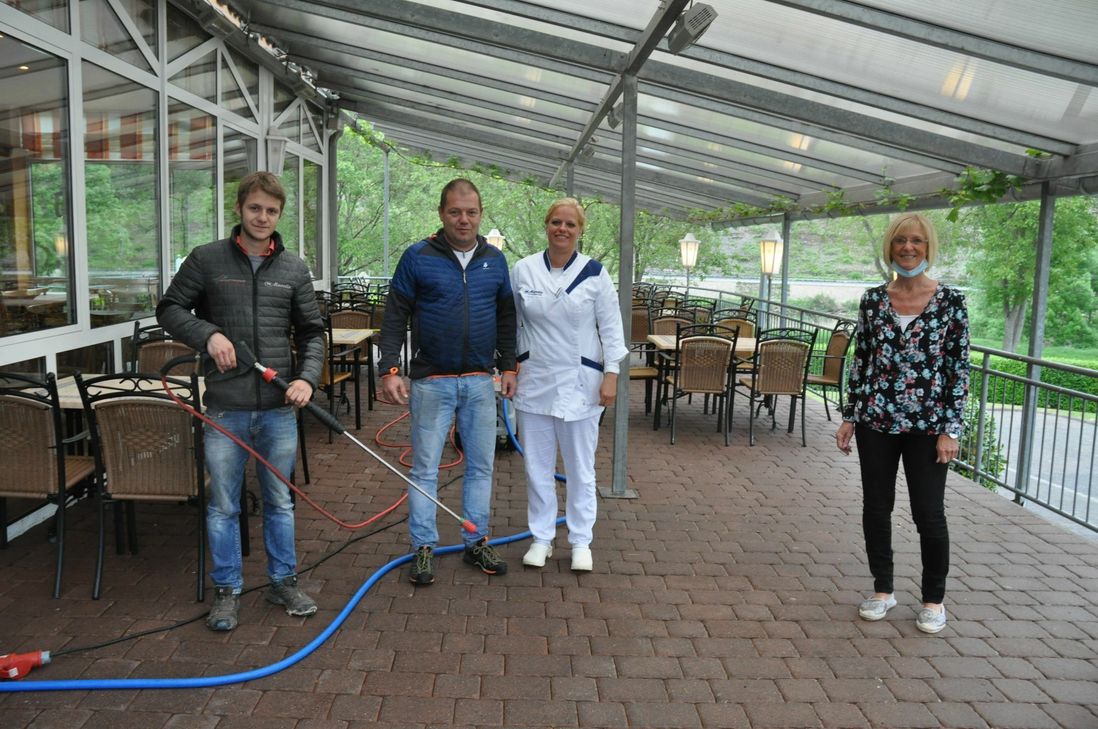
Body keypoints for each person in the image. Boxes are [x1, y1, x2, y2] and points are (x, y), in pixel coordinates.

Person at [157, 171, 325, 632]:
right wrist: (208, 334)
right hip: (226, 407)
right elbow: (169, 308)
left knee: (279, 502)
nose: (263, 217)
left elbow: (313, 332)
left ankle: (283, 582)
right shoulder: (207, 259)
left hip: (277, 409)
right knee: (223, 506)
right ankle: (227, 591)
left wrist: (307, 379)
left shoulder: (293, 268)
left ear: (279, 214)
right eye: (255, 208)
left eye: (271, 211)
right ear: (239, 209)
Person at [835, 212, 970, 634]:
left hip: (929, 425)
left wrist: (951, 428)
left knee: (928, 512)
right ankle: (883, 590)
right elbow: (862, 360)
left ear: (928, 247)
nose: (907, 248)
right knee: (876, 507)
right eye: (899, 241)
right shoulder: (873, 300)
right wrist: (850, 416)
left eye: (916, 241)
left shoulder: (951, 301)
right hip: (876, 419)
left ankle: (933, 599)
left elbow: (958, 368)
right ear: (890, 248)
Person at [379, 178, 517, 586]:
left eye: (471, 212)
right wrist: (389, 368)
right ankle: (423, 546)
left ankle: (476, 540)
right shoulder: (418, 256)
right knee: (424, 470)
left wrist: (508, 366)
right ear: (441, 213)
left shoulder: (495, 260)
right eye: (455, 211)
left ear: (481, 214)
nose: (463, 219)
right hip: (431, 381)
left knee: (482, 467)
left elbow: (507, 318)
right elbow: (393, 317)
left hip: (479, 382)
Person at [510, 198, 628, 572]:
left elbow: (611, 328)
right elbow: (510, 324)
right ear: (546, 225)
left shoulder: (595, 274)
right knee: (537, 468)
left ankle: (581, 541)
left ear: (580, 230)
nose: (562, 229)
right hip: (535, 381)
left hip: (582, 384)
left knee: (581, 467)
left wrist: (612, 374)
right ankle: (541, 538)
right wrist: (508, 368)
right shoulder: (524, 270)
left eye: (570, 225)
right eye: (556, 222)